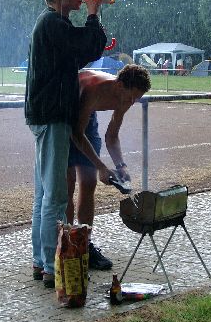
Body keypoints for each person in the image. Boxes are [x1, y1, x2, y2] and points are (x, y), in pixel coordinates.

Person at [25, 0, 109, 288]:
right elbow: (87, 46)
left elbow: (84, 49)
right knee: (56, 196)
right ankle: (52, 265)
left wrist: (93, 32)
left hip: (46, 115)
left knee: (44, 194)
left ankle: (41, 261)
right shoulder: (52, 23)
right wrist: (93, 14)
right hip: (52, 117)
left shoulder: (52, 24)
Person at [65, 64, 152, 270]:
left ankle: (84, 244)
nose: (132, 102)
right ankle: (67, 244)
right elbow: (76, 134)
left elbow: (111, 136)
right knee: (67, 185)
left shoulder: (126, 97)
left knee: (89, 183)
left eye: (137, 98)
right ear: (120, 86)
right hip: (66, 113)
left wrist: (121, 165)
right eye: (132, 97)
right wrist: (101, 166)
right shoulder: (94, 89)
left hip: (87, 118)